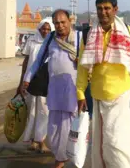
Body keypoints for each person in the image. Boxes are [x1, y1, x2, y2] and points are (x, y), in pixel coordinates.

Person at [77, 0, 130, 168]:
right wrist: (80, 92)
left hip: (121, 93)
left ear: (115, 9)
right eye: (99, 9)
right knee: (100, 144)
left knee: (117, 143)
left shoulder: (126, 32)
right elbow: (83, 67)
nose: (103, 12)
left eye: (107, 8)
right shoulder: (89, 34)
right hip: (97, 95)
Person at [22, 10, 80, 168]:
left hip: (72, 89)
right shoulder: (50, 39)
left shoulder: (79, 38)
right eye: (57, 23)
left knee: (68, 124)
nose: (60, 26)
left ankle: (60, 160)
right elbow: (38, 61)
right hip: (54, 88)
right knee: (53, 127)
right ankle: (60, 153)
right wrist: (27, 79)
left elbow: (89, 63)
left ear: (70, 21)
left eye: (63, 22)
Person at [17, 17, 53, 153]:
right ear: (39, 28)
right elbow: (26, 62)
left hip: (46, 83)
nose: (45, 31)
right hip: (30, 82)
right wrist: (21, 82)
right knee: (31, 111)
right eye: (43, 28)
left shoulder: (54, 43)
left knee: (45, 112)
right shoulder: (32, 40)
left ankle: (42, 141)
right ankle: (33, 141)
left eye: (49, 29)